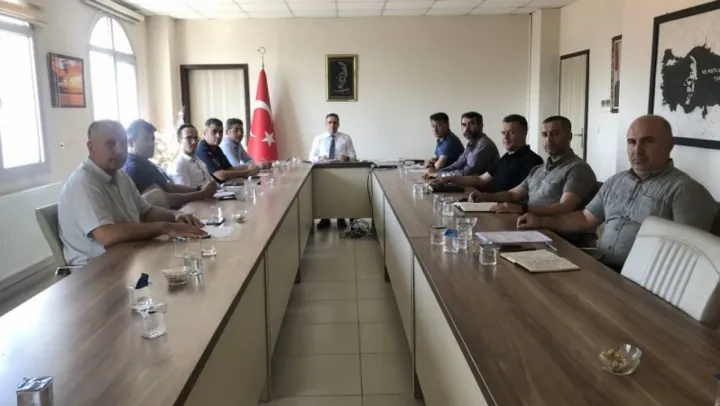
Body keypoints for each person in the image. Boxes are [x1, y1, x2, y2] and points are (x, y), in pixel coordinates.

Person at [517, 115, 718, 272]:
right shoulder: (615, 181)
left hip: (642, 280)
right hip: (601, 266)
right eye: (632, 142)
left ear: (670, 145)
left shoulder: (685, 190)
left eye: (648, 141)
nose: (637, 150)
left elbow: (690, 254)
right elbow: (586, 218)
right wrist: (542, 222)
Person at [58, 120, 207, 266]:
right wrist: (165, 227)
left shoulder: (120, 176)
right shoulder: (84, 182)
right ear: (91, 147)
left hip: (128, 256)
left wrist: (176, 217)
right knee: (185, 265)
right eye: (110, 143)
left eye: (123, 143)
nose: (119, 150)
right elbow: (107, 235)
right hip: (96, 270)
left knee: (194, 258)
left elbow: (146, 212)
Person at [431, 114, 543, 192]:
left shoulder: (533, 161)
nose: (505, 137)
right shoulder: (507, 157)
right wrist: (449, 178)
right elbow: (480, 179)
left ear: (525, 133)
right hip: (490, 202)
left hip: (504, 210)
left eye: (511, 132)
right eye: (503, 133)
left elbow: (516, 196)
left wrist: (485, 197)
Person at [121, 119, 217, 209]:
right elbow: (165, 199)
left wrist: (199, 189)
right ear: (130, 143)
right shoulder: (135, 168)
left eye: (152, 139)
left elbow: (170, 187)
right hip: (166, 215)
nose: (151, 143)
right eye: (146, 139)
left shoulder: (145, 162)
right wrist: (202, 194)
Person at [309, 113, 356, 229]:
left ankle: (341, 218)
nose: (332, 125)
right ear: (326, 124)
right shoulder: (319, 138)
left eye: (335, 123)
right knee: (324, 195)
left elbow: (354, 156)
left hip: (341, 171)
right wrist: (319, 158)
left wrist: (347, 158)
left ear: (338, 124)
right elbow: (311, 157)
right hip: (323, 172)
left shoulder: (346, 138)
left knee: (340, 195)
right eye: (329, 123)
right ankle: (325, 218)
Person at [426, 112, 499, 178]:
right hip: (470, 184)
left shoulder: (484, 145)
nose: (466, 129)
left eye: (471, 124)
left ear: (481, 126)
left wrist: (438, 174)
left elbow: (466, 173)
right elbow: (457, 165)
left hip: (482, 187)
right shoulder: (472, 144)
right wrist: (437, 172)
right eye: (464, 125)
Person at [195, 118, 260, 183]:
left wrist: (251, 167)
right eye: (214, 132)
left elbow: (229, 168)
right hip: (212, 188)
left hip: (222, 186)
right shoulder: (202, 149)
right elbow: (220, 175)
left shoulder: (216, 148)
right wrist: (248, 172)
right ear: (205, 133)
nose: (218, 136)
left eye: (220, 132)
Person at [167, 124, 215, 188]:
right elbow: (185, 192)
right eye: (188, 138)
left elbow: (212, 182)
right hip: (204, 194)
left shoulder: (197, 159)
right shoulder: (179, 164)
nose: (194, 142)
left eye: (196, 138)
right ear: (179, 140)